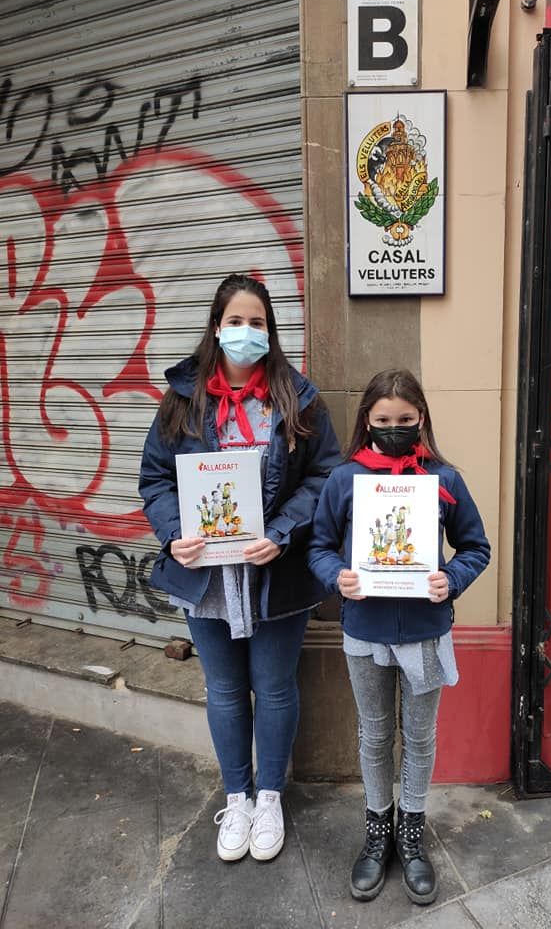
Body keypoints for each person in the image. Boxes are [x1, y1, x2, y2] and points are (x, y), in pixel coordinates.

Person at [139, 273, 340, 863]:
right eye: (235, 321)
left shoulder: (298, 399)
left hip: (275, 571)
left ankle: (271, 796)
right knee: (225, 689)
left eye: (258, 322)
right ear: (216, 327)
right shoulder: (182, 400)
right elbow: (155, 479)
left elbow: (325, 475)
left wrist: (281, 533)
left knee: (274, 688)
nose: (246, 332)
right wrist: (175, 533)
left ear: (271, 331)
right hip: (208, 577)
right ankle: (239, 796)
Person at [308, 369, 491, 905]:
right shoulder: (344, 480)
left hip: (425, 633)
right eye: (384, 420)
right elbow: (319, 546)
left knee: (420, 737)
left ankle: (411, 835)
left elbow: (475, 547)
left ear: (422, 420)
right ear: (367, 420)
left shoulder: (444, 480)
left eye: (405, 421)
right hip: (364, 633)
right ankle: (377, 831)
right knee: (373, 735)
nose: (394, 429)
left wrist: (449, 579)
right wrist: (336, 576)